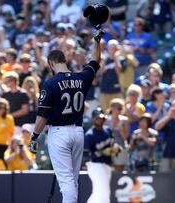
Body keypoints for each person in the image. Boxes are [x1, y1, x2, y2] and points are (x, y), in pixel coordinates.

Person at [28, 31, 101, 203]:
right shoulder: (81, 77)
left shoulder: (50, 83)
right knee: (72, 181)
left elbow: (42, 116)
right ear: (65, 61)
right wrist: (97, 41)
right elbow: (95, 60)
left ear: (51, 63)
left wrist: (34, 137)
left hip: (59, 134)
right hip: (77, 132)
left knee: (66, 182)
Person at [84, 108, 120, 203]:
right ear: (93, 119)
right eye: (97, 118)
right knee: (103, 192)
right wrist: (102, 152)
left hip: (107, 164)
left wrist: (115, 147)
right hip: (96, 165)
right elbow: (86, 154)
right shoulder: (89, 135)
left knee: (99, 192)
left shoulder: (107, 130)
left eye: (101, 118)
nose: (99, 120)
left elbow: (112, 142)